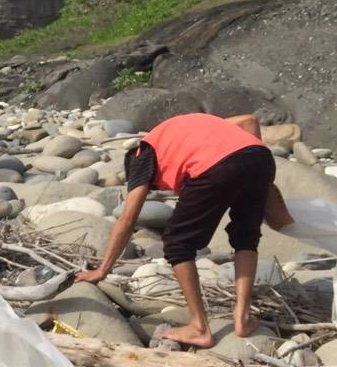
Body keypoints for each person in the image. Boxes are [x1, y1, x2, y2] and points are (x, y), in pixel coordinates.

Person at [77, 112, 293, 348]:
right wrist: (251, 172)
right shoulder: (181, 132)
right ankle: (242, 317)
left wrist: (102, 270)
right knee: (246, 237)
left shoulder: (142, 154)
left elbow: (128, 219)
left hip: (217, 166)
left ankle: (199, 327)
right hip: (260, 157)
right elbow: (250, 121)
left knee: (177, 243)